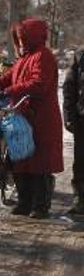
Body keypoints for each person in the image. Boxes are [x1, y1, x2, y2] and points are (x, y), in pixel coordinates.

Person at [0, 17, 63, 219]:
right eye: (19, 39)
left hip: (41, 119)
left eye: (24, 38)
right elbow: (9, 77)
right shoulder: (25, 57)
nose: (21, 42)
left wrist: (9, 90)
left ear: (32, 37)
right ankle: (24, 202)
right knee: (19, 158)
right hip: (22, 115)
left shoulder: (43, 57)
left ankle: (40, 205)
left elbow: (38, 83)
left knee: (39, 163)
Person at [63, 47, 84, 214]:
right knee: (81, 161)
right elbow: (69, 86)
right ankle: (80, 199)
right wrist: (69, 114)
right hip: (82, 119)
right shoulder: (80, 55)